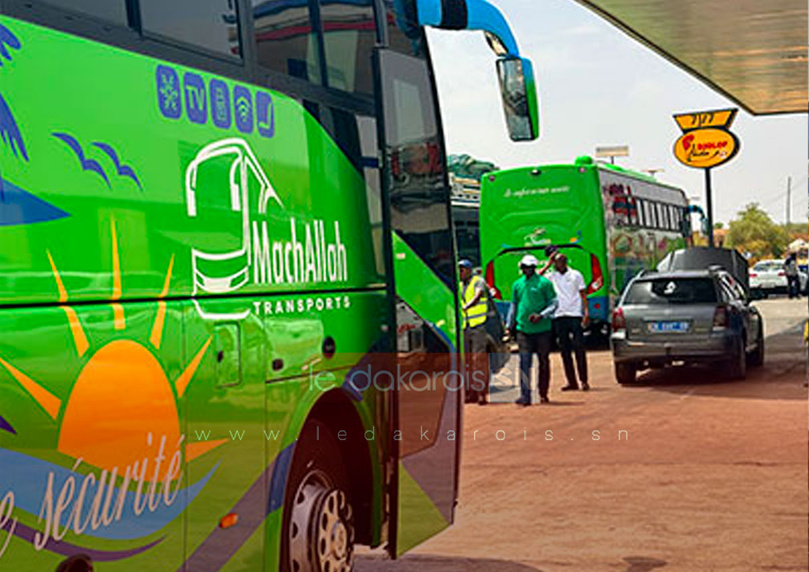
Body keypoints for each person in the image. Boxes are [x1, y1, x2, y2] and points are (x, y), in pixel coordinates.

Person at [506, 254, 558, 405]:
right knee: (524, 362)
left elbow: (554, 303)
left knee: (543, 361)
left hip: (542, 329)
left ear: (534, 268)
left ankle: (543, 392)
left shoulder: (544, 283)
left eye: (529, 267)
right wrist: (510, 325)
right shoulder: (517, 284)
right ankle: (525, 395)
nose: (526, 270)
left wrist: (541, 315)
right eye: (524, 267)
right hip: (523, 329)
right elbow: (514, 305)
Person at [544, 252, 590, 391]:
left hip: (574, 314)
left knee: (579, 348)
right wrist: (547, 264)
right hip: (559, 315)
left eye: (561, 262)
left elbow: (583, 294)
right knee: (564, 351)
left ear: (565, 262)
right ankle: (572, 382)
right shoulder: (552, 276)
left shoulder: (576, 275)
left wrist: (586, 312)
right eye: (556, 262)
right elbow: (536, 277)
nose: (558, 265)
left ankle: (584, 380)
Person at [459, 259, 490, 405]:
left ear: (469, 270)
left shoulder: (478, 281)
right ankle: (470, 393)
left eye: (463, 269)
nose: (460, 272)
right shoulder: (459, 286)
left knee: (479, 360)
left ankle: (482, 393)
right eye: (459, 269)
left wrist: (466, 306)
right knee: (467, 362)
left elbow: (477, 296)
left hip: (478, 326)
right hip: (465, 327)